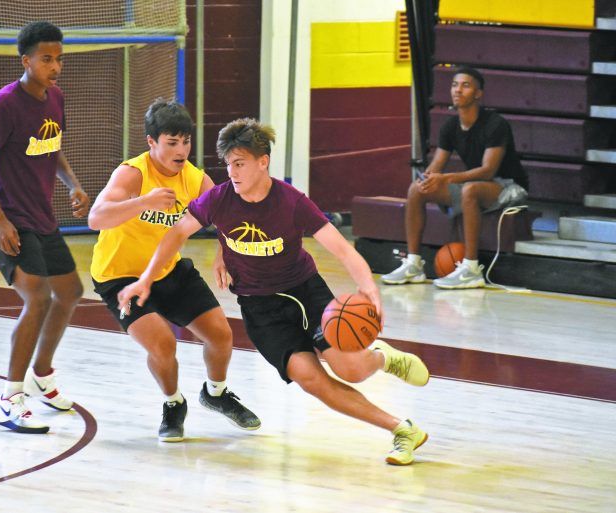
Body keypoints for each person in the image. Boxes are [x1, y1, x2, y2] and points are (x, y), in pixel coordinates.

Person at [118, 118, 431, 465]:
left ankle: (383, 357)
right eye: (228, 165)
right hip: (260, 310)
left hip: (304, 293)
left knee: (351, 369)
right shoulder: (219, 199)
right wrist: (146, 278)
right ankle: (402, 430)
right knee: (313, 380)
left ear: (262, 161)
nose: (232, 172)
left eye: (240, 163)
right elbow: (176, 234)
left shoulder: (291, 201)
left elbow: (342, 249)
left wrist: (368, 286)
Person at [87, 99, 260, 443]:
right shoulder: (132, 173)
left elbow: (228, 219)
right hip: (120, 278)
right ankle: (173, 403)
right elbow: (96, 217)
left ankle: (216, 393)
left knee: (222, 335)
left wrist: (223, 253)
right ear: (151, 142)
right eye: (172, 143)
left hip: (168, 271)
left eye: (186, 142)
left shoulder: (195, 180)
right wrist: (143, 201)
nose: (181, 150)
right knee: (164, 345)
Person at [0, 21, 90, 434]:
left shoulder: (55, 97)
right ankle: (8, 398)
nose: (55, 67)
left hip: (42, 216)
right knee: (37, 298)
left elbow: (52, 146)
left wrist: (72, 184)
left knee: (71, 292)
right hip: (7, 219)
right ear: (26, 61)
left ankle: (41, 374)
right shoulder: (4, 105)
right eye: (46, 59)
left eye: (59, 59)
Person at [382, 66, 529, 289]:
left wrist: (447, 178)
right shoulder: (450, 126)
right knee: (416, 189)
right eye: (454, 85)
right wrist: (428, 179)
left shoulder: (496, 124)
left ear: (479, 93)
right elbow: (436, 166)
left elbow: (489, 171)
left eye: (465, 85)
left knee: (470, 190)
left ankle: (471, 269)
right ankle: (413, 264)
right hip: (476, 184)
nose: (458, 90)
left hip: (508, 186)